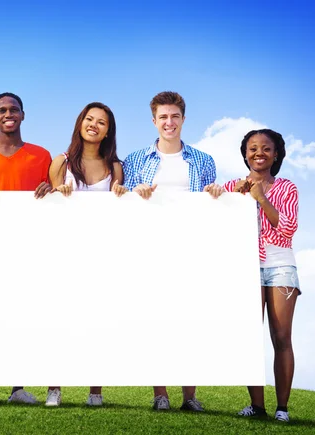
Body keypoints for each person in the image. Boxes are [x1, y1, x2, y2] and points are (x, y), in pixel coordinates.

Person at [123, 91, 216, 412]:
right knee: (157, 321)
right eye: (163, 117)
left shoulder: (203, 161)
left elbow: (211, 205)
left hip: (190, 250)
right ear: (154, 121)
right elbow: (123, 202)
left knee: (190, 321)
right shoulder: (135, 160)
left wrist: (214, 193)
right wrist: (136, 194)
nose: (169, 122)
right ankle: (160, 394)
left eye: (175, 116)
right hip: (150, 249)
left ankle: (189, 396)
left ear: (183, 119)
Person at [206, 129, 300, 423]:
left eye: (266, 149)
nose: (259, 153)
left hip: (279, 265)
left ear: (276, 154)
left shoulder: (287, 187)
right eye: (253, 148)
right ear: (245, 153)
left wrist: (260, 198)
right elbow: (215, 218)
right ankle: (257, 406)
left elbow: (287, 230)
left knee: (281, 336)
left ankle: (281, 408)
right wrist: (218, 194)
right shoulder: (234, 186)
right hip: (246, 266)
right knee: (250, 336)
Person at [0, 92, 52, 404]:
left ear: (23, 115)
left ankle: (18, 387)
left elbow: (54, 198)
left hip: (29, 247)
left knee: (22, 315)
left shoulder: (42, 156)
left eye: (13, 109)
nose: (8, 114)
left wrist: (51, 189)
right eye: (1, 110)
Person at [46, 102, 127, 407]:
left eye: (102, 122)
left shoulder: (115, 167)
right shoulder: (62, 162)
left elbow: (120, 208)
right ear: (80, 123)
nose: (94, 125)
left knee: (99, 319)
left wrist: (121, 193)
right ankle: (54, 388)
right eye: (90, 119)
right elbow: (51, 207)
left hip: (102, 253)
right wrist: (59, 192)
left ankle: (96, 391)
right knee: (60, 319)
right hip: (66, 252)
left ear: (108, 131)